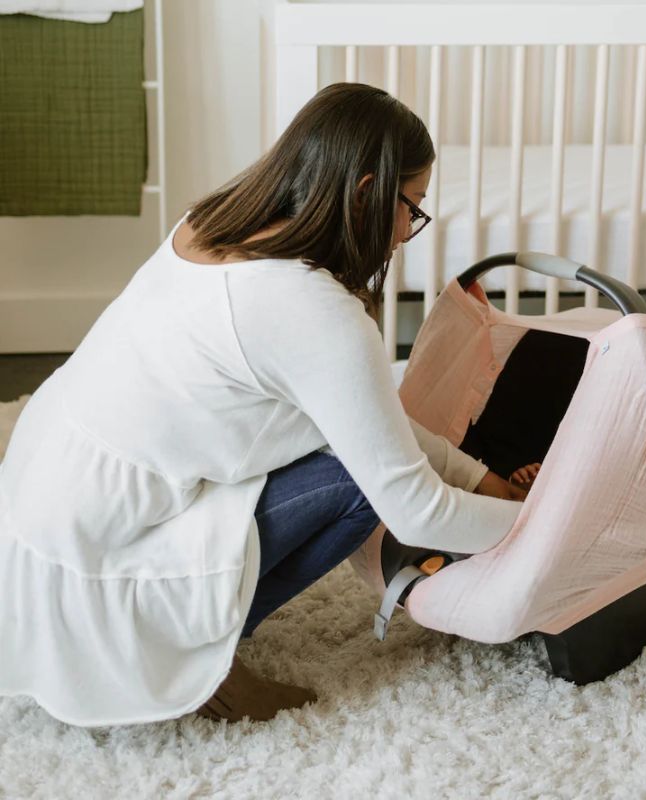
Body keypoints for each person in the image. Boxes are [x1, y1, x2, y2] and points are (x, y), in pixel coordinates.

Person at [0, 83, 538, 728]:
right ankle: (194, 658)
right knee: (355, 485)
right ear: (366, 191)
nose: (406, 233)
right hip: (97, 561)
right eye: (411, 207)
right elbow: (415, 510)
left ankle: (188, 621)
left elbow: (359, 417)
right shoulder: (314, 313)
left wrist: (481, 479)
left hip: (44, 506)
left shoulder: (208, 225)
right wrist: (542, 525)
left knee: (343, 444)